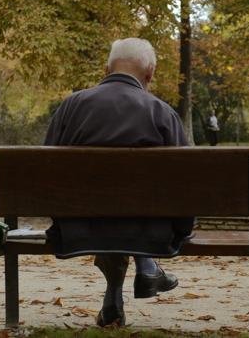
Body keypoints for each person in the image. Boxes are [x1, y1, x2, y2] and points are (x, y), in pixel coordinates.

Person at [44, 37, 195, 327]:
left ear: (106, 68)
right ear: (149, 74)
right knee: (128, 217)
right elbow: (184, 184)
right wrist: (181, 231)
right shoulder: (161, 113)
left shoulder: (71, 107)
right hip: (152, 231)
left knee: (107, 215)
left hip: (77, 229)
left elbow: (45, 172)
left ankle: (115, 297)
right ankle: (147, 264)